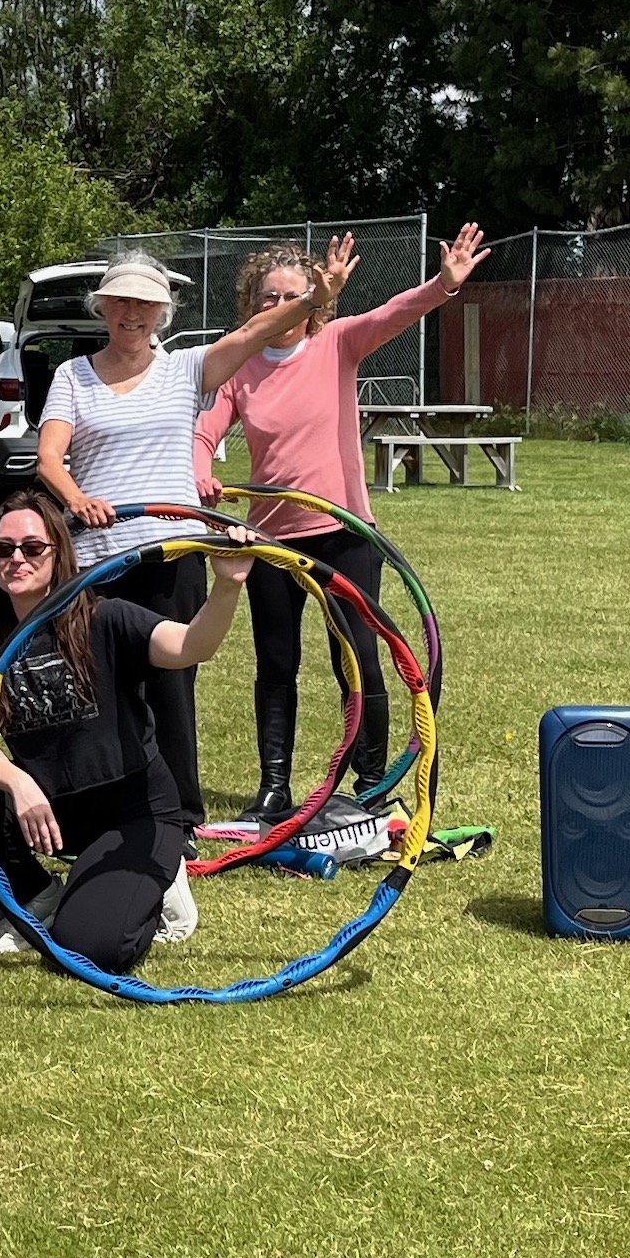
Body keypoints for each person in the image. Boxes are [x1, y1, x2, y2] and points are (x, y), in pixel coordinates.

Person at [195, 223, 489, 820]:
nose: (276, 307)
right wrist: (201, 468)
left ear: (314, 304)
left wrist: (444, 285)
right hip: (271, 539)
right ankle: (274, 788)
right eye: (265, 298)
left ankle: (372, 783)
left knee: (355, 653)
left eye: (288, 296)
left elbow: (392, 314)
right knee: (276, 662)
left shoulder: (337, 346)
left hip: (346, 534)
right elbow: (205, 429)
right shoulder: (242, 367)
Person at [33, 251, 323, 830]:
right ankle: (109, 809)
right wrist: (76, 500)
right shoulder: (73, 375)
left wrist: (315, 297)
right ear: (103, 308)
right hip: (98, 558)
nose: (132, 314)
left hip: (172, 556)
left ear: (162, 313)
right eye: (121, 302)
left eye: (144, 303)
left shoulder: (188, 369)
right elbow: (48, 458)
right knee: (104, 689)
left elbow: (251, 331)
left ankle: (180, 818)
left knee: (170, 686)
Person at [0, 489, 258, 968]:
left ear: (58, 554)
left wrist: (227, 586)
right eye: (2, 549)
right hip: (50, 812)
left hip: (132, 812)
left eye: (32, 548)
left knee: (90, 947)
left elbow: (191, 645)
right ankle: (33, 894)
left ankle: (157, 878)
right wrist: (19, 782)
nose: (16, 559)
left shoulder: (104, 617)